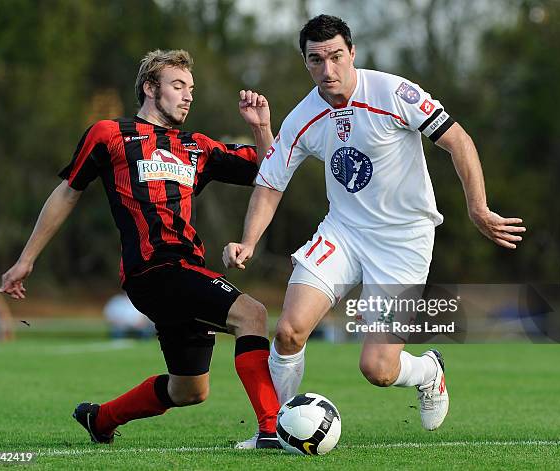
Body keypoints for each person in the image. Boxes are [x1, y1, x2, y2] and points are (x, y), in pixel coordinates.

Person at [223, 15, 526, 447]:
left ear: (352, 54)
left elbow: (458, 140)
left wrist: (478, 207)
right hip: (343, 232)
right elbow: (270, 183)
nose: (327, 70)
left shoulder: (393, 93)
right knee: (289, 330)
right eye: (316, 60)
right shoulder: (303, 117)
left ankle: (428, 372)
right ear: (305, 63)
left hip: (403, 241)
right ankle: (275, 431)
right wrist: (248, 241)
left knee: (378, 369)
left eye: (335, 57)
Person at [0, 49, 281, 449]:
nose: (188, 96)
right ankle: (271, 431)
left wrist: (261, 127)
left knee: (190, 390)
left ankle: (101, 419)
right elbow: (67, 193)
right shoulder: (109, 135)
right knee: (252, 314)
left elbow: (267, 170)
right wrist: (26, 260)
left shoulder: (196, 147)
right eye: (178, 86)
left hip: (183, 271)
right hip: (154, 269)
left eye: (191, 89)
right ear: (150, 88)